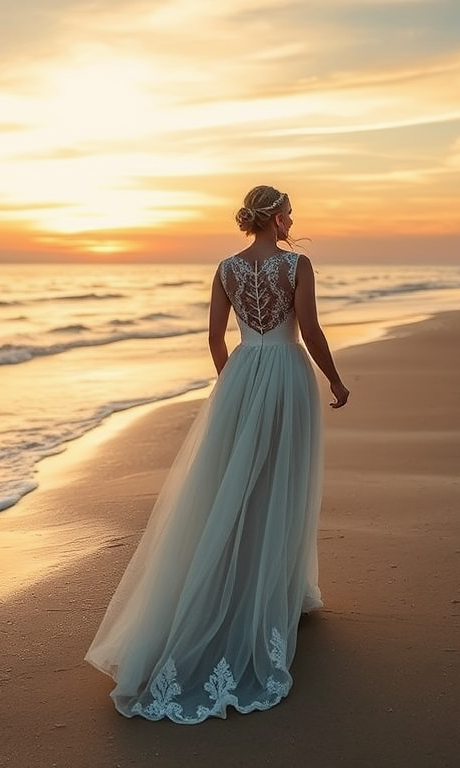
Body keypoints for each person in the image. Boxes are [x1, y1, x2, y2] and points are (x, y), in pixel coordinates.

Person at [85, 185, 349, 723]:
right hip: (287, 375)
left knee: (234, 484)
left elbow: (214, 337)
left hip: (243, 376)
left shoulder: (226, 269)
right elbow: (312, 332)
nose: (292, 219)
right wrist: (337, 382)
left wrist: (234, 386)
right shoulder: (297, 264)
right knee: (281, 480)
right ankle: (274, 593)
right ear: (275, 217)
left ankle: (253, 588)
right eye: (289, 211)